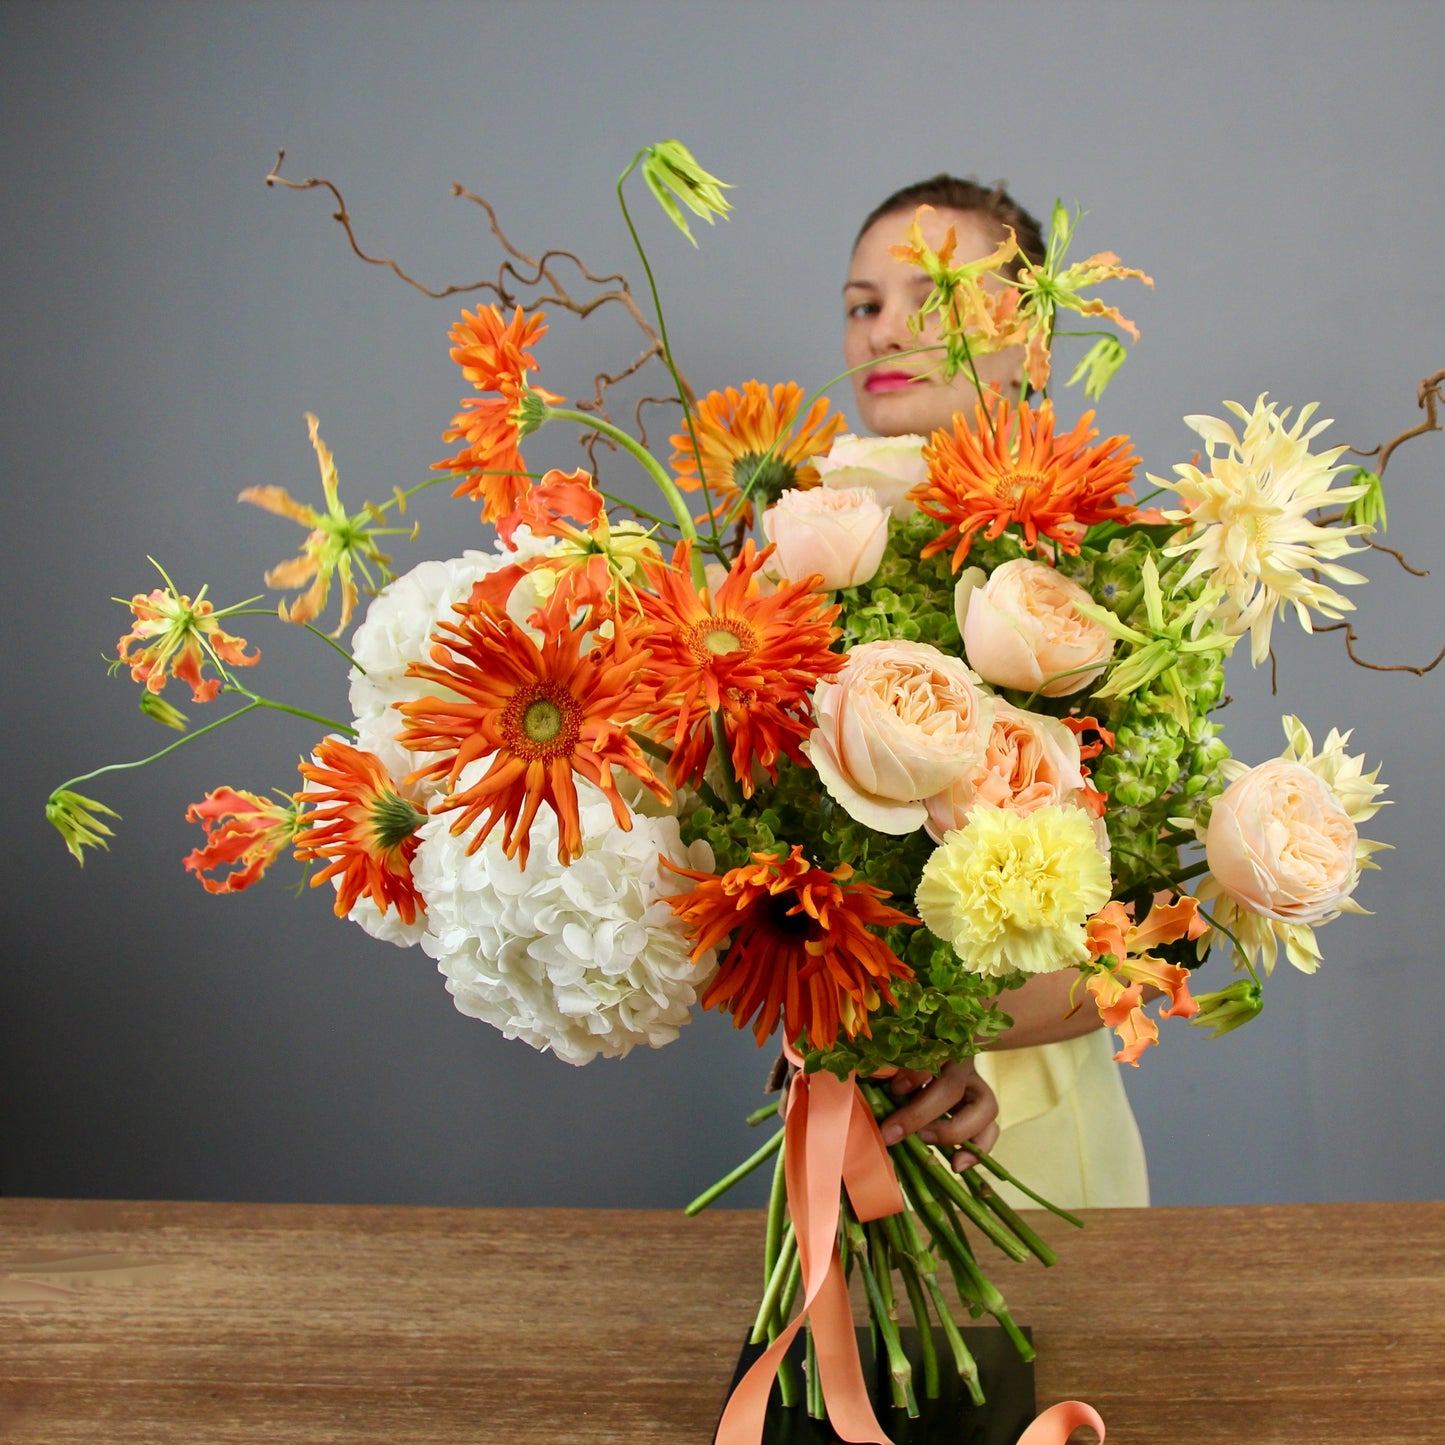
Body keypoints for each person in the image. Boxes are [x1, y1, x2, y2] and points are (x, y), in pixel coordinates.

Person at [843, 176, 1151, 1210]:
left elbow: (1158, 926)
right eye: (862, 304)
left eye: (932, 301)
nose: (885, 333)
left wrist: (927, 1033)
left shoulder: (1099, 574)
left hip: (1039, 1148)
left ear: (1028, 336)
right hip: (849, 1133)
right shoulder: (801, 559)